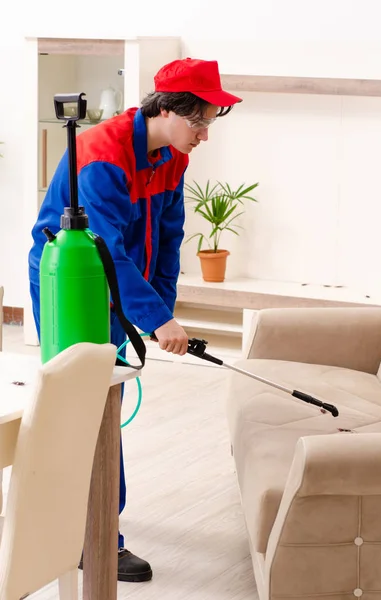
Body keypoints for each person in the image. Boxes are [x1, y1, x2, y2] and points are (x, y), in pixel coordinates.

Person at [27, 57, 242, 583]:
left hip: (119, 286)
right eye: (199, 123)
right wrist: (152, 316)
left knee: (106, 400)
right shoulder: (101, 153)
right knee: (84, 402)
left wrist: (159, 312)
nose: (204, 136)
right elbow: (103, 254)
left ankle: (96, 518)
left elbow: (168, 240)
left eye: (210, 124)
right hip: (71, 283)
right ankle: (95, 537)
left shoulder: (172, 156)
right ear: (166, 109)